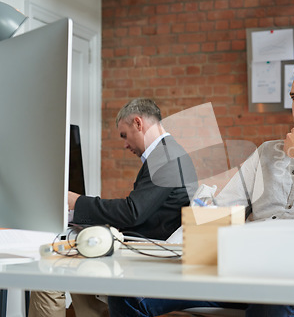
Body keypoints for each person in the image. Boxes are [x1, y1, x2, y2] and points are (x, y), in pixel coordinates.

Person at [106, 57, 294, 317]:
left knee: (272, 295)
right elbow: (222, 209)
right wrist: (186, 236)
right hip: (245, 268)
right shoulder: (267, 152)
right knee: (126, 293)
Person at [29, 98, 198, 317]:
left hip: (147, 252)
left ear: (138, 123)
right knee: (75, 266)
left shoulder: (165, 156)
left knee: (48, 271)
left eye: (124, 136)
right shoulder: (169, 152)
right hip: (144, 246)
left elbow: (132, 212)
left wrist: (76, 202)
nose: (125, 145)